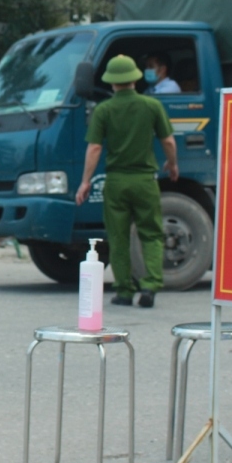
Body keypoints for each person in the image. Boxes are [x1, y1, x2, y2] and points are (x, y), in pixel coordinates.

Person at [75, 54, 179, 308]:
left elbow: (95, 148)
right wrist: (172, 164)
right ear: (135, 79)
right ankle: (150, 286)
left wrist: (85, 181)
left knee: (118, 236)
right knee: (151, 234)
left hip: (116, 182)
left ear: (111, 83)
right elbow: (168, 140)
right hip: (145, 181)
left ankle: (123, 291)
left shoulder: (104, 109)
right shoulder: (151, 106)